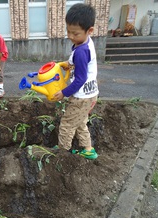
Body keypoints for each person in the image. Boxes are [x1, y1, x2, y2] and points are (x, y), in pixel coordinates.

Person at [53, 3, 99, 160]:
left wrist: (64, 93)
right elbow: (82, 66)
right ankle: (88, 149)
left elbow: (80, 79)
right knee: (80, 122)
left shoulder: (81, 51)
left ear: (89, 30)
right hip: (90, 95)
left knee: (66, 124)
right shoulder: (85, 43)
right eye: (68, 31)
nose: (71, 36)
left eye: (75, 33)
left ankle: (62, 153)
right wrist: (69, 65)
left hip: (81, 97)